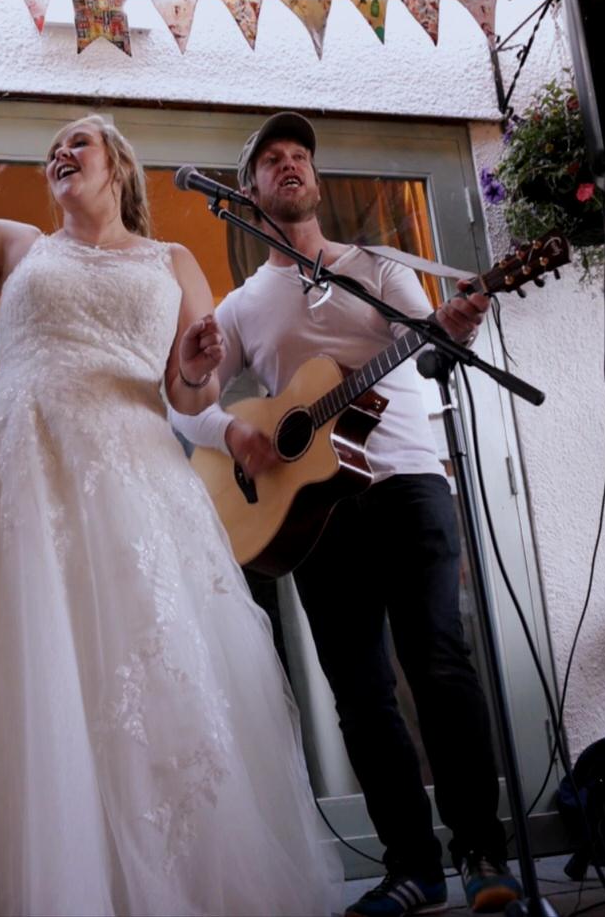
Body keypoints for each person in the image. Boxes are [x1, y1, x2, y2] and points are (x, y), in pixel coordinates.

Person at [0, 93, 344, 916]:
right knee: (23, 681)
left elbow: (190, 396)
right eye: (52, 147)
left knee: (142, 694)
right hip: (18, 481)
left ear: (116, 164)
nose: (59, 152)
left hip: (134, 487)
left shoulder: (174, 261)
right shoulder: (22, 249)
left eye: (75, 141)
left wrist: (194, 362)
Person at [167, 113, 521, 917]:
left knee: (438, 661)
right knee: (361, 692)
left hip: (405, 482)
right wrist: (234, 430)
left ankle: (481, 848)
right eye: (271, 160)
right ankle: (413, 867)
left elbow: (426, 356)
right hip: (313, 516)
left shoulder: (380, 267)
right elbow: (182, 398)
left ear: (314, 182)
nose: (289, 165)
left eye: (300, 157)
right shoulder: (244, 304)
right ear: (249, 190)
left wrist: (454, 328)